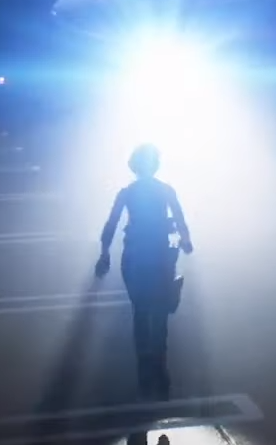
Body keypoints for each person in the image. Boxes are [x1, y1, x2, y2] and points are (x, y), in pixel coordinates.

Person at [95, 143, 194, 401]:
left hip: (135, 256)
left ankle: (144, 369)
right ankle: (160, 368)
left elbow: (111, 224)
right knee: (160, 313)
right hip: (160, 256)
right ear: (156, 165)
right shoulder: (165, 190)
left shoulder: (127, 193)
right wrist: (185, 241)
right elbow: (180, 220)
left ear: (134, 166)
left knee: (140, 311)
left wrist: (104, 253)